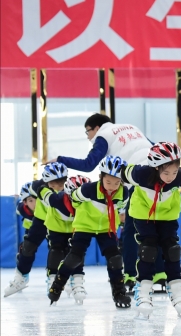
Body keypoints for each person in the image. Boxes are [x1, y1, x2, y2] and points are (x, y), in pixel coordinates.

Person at [51, 113, 157, 292]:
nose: (89, 137)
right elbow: (155, 148)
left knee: (132, 228)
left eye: (88, 132)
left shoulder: (104, 135)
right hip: (157, 175)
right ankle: (160, 274)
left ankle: (130, 274)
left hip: (136, 177)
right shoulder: (132, 127)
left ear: (97, 128)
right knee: (157, 225)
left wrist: (60, 160)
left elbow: (89, 164)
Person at [48, 156, 131, 308]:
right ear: (101, 177)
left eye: (117, 182)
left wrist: (119, 218)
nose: (112, 186)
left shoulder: (124, 193)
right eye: (108, 182)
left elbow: (120, 209)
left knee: (115, 259)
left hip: (106, 228)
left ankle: (119, 293)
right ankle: (57, 286)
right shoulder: (88, 190)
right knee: (75, 257)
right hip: (85, 226)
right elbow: (74, 198)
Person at [123, 142, 181, 319]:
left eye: (174, 172)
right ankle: (143, 291)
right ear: (155, 168)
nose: (170, 177)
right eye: (166, 172)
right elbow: (123, 171)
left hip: (167, 215)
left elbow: (179, 178)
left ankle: (176, 288)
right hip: (143, 214)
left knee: (172, 249)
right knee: (149, 248)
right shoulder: (141, 174)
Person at [3, 162, 68, 297]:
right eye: (53, 185)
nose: (57, 189)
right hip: (41, 219)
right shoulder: (36, 186)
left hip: (57, 221)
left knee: (59, 249)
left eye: (61, 185)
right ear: (45, 182)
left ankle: (59, 279)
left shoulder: (69, 189)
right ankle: (21, 277)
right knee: (28, 246)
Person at [44, 175, 90, 303]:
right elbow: (41, 190)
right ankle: (53, 278)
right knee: (56, 250)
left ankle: (77, 281)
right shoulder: (56, 200)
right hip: (56, 227)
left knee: (77, 252)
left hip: (76, 227)